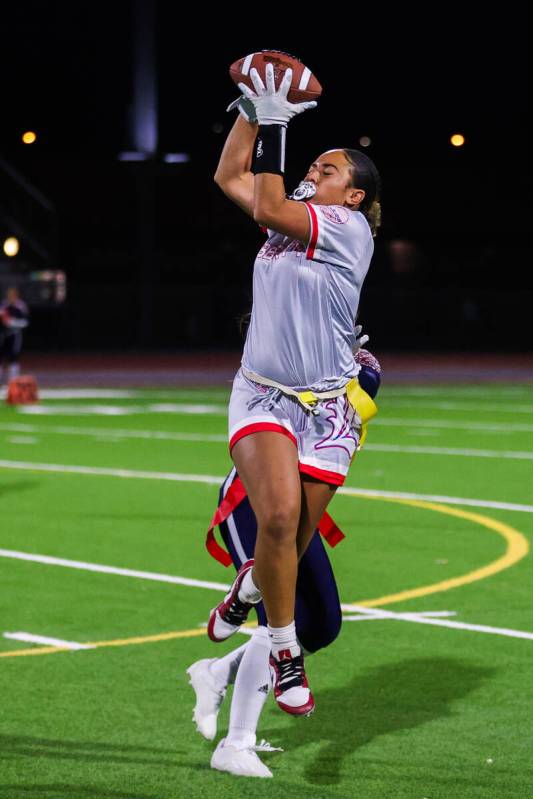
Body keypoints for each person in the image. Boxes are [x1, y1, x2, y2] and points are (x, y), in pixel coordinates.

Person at [208, 60, 381, 728]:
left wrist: (275, 126)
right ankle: (285, 652)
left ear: (354, 197)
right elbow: (230, 178)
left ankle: (247, 589)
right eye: (312, 161)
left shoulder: (345, 229)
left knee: (292, 541)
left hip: (329, 411)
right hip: (260, 394)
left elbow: (271, 200)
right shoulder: (290, 220)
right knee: (277, 519)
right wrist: (252, 110)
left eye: (329, 169)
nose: (317, 170)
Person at [188, 346, 382, 778]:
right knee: (280, 616)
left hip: (294, 505)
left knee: (324, 623)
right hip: (250, 504)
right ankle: (236, 743)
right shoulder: (281, 357)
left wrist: (354, 370)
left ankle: (217, 670)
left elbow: (361, 401)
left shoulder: (338, 362)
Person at [0, 286, 30, 386]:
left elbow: (25, 322)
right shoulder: (4, 305)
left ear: (17, 295)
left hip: (14, 335)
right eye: (9, 294)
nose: (11, 297)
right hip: (3, 335)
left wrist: (12, 322)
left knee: (13, 358)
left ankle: (13, 383)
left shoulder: (21, 306)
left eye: (13, 295)